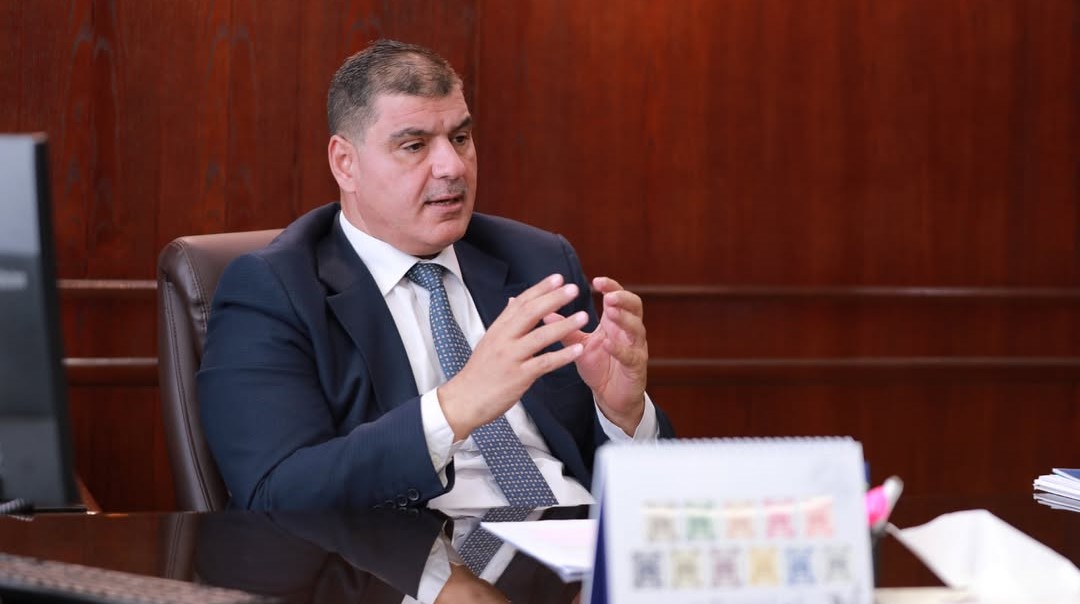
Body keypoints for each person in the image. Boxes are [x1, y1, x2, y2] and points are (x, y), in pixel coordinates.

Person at [198, 39, 675, 513]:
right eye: (414, 145)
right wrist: (454, 408)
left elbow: (641, 493)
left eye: (460, 139)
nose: (452, 166)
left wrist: (623, 415)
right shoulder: (274, 290)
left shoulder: (538, 261)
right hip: (418, 553)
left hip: (572, 543)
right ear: (345, 163)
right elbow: (275, 493)